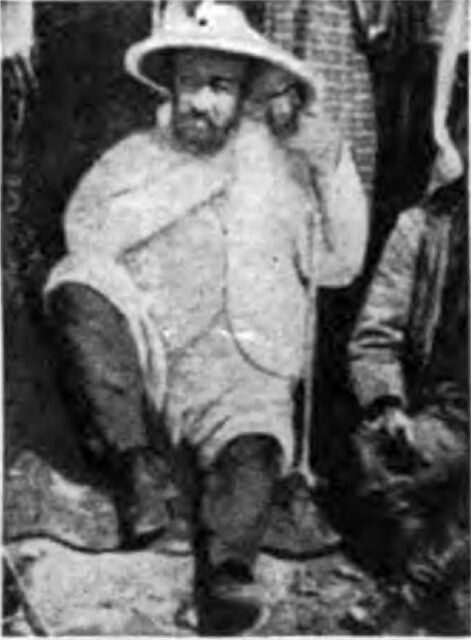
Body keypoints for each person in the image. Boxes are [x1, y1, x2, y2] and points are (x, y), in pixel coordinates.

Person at [45, 0, 368, 634]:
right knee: (74, 282)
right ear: (170, 85)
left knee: (252, 446)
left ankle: (227, 575)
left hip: (244, 367)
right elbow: (85, 234)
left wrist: (332, 168)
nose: (201, 103)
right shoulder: (136, 156)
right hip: (156, 366)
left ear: (246, 92)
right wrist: (192, 185)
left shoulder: (283, 167)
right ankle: (138, 469)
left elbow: (342, 265)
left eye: (220, 86)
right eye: (191, 83)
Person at [348, 8, 468, 631]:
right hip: (448, 422)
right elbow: (374, 336)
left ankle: (415, 589)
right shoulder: (423, 228)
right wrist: (386, 402)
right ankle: (443, 575)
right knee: (375, 452)